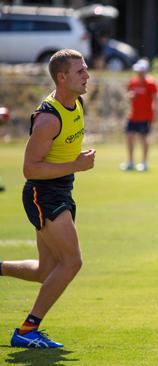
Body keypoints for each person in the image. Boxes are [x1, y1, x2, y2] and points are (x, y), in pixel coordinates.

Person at [1, 49, 95, 348]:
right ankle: (27, 330)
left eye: (85, 69)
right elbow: (30, 169)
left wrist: (72, 164)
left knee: (46, 271)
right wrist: (76, 165)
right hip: (44, 193)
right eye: (80, 71)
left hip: (61, 189)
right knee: (72, 262)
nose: (87, 75)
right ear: (62, 77)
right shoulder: (48, 119)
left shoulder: (77, 102)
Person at [121, 58, 158, 172]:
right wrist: (129, 97)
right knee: (129, 137)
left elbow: (155, 99)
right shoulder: (133, 82)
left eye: (141, 71)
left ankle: (144, 162)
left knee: (143, 138)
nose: (139, 73)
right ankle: (130, 162)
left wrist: (156, 113)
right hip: (133, 115)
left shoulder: (150, 83)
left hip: (145, 116)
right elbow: (129, 97)